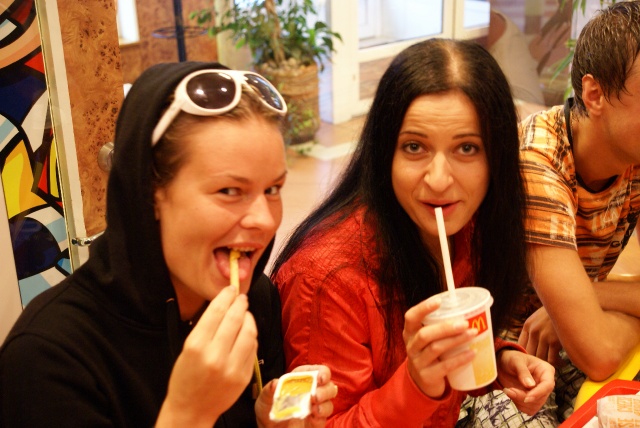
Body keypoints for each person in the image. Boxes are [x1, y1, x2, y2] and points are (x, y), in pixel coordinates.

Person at [0, 62, 337, 427]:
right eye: (229, 190)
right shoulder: (45, 359)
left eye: (272, 189)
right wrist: (190, 412)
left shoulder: (254, 299)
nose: (265, 220)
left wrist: (264, 423)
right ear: (149, 192)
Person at [270, 38, 556, 427]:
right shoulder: (326, 279)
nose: (438, 180)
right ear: (384, 152)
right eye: (415, 147)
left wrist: (499, 357)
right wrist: (416, 386)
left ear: (497, 157)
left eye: (466, 148)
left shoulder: (466, 224)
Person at [515, 0, 640, 421]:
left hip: (578, 331)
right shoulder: (539, 161)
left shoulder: (633, 149)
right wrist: (599, 311)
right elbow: (599, 352)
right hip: (505, 354)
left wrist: (594, 297)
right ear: (595, 94)